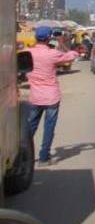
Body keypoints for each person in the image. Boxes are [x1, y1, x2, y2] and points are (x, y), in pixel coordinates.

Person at [28, 26, 78, 165]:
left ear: (35, 37)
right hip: (51, 97)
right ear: (49, 38)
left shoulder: (28, 53)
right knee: (48, 128)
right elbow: (73, 56)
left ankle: (24, 154)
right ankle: (44, 157)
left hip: (35, 96)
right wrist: (61, 41)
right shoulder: (53, 54)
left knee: (30, 128)